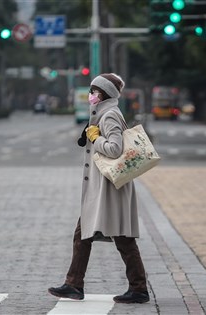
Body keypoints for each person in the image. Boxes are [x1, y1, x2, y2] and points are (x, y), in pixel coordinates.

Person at [48, 73, 149, 304]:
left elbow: (115, 149)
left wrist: (95, 138)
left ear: (103, 94)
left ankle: (138, 288)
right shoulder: (103, 114)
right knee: (83, 234)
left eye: (94, 91)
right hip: (104, 189)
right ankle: (74, 284)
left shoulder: (109, 115)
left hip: (109, 190)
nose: (90, 95)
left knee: (122, 238)